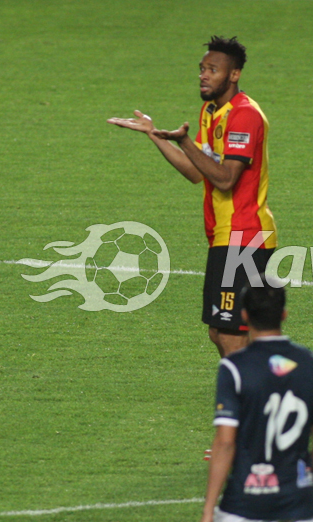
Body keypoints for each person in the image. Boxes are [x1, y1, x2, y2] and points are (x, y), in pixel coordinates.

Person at [108, 36, 277, 358]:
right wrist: (155, 135)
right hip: (226, 236)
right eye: (202, 68)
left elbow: (225, 179)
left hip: (245, 235)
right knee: (223, 332)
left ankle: (249, 403)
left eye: (213, 69)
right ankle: (270, 392)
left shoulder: (244, 115)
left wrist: (185, 142)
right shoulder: (211, 111)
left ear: (234, 75)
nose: (203, 75)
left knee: (229, 335)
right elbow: (196, 172)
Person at [197, 274, 313, 522]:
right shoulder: (310, 364)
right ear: (284, 314)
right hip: (298, 507)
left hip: (243, 504)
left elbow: (225, 443)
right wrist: (305, 487)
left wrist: (208, 510)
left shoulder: (234, 367)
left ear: (244, 316)